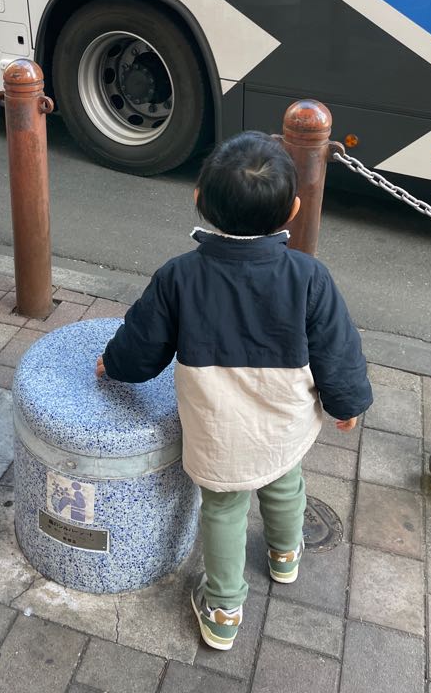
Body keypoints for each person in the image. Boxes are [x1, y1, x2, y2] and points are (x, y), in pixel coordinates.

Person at [95, 132, 372, 652]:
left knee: (223, 508)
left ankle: (223, 609)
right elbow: (337, 348)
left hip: (219, 429)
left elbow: (143, 345)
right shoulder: (309, 276)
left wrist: (113, 364)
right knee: (284, 480)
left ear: (200, 199)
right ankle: (285, 555)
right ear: (292, 210)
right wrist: (347, 402)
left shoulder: (180, 276)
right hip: (284, 421)